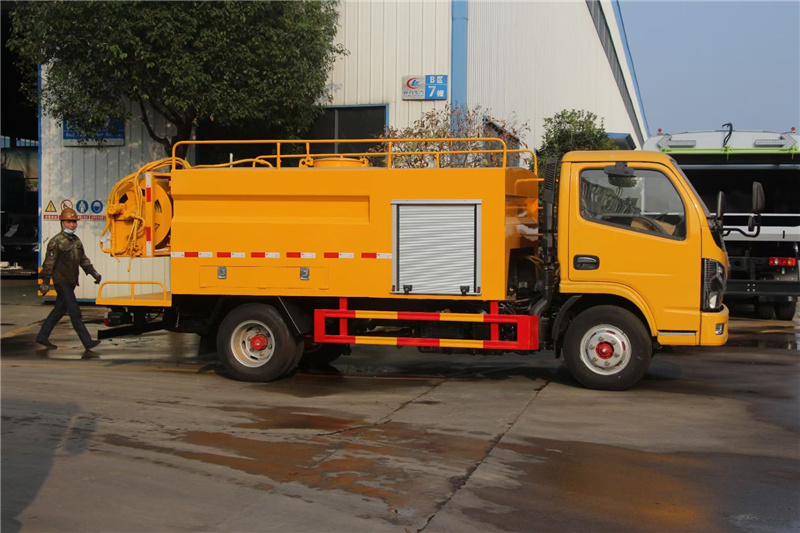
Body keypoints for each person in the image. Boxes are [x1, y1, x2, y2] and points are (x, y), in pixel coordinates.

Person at [36, 208, 103, 352]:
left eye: (74, 222)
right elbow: (48, 264)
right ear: (62, 223)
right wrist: (45, 283)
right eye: (69, 222)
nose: (72, 225)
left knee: (58, 311)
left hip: (71, 282)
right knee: (75, 312)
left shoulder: (76, 241)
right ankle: (87, 342)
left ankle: (42, 336)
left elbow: (83, 260)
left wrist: (94, 273)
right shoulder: (56, 242)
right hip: (61, 282)